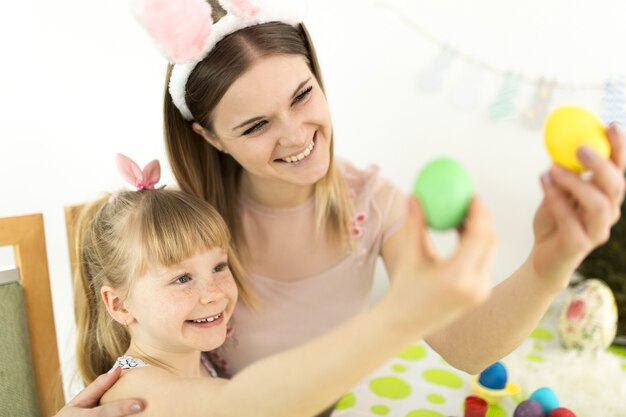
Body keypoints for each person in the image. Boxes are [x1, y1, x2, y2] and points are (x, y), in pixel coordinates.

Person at [56, 0, 626, 415]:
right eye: (255, 125)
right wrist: (400, 316)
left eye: (302, 96)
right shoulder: (187, 230)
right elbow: (234, 400)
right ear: (209, 137)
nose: (295, 135)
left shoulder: (371, 203)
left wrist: (551, 264)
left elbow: (465, 345)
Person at [61, 153, 495, 417]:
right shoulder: (134, 391)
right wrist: (400, 317)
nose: (212, 292)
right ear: (119, 306)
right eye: (181, 279)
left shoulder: (196, 362)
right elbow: (244, 406)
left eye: (218, 266)